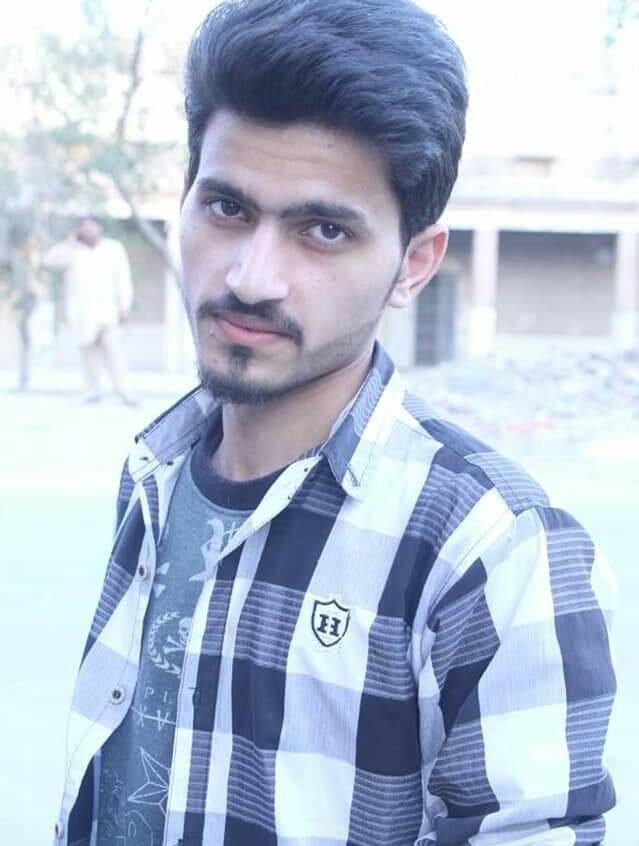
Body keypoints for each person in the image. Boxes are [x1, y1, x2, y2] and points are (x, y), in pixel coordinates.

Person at [53, 1, 617, 844]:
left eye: (323, 231)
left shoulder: (492, 548)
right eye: (227, 209)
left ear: (413, 264)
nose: (251, 278)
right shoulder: (156, 476)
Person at [43, 217, 136, 404]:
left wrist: (124, 307)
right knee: (89, 354)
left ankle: (125, 392)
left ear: (99, 227)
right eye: (84, 228)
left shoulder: (113, 249)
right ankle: (92, 392)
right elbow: (49, 261)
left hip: (109, 312)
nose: (88, 231)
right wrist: (70, 242)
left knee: (115, 353)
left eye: (91, 227)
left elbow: (123, 278)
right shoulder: (73, 251)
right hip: (83, 314)